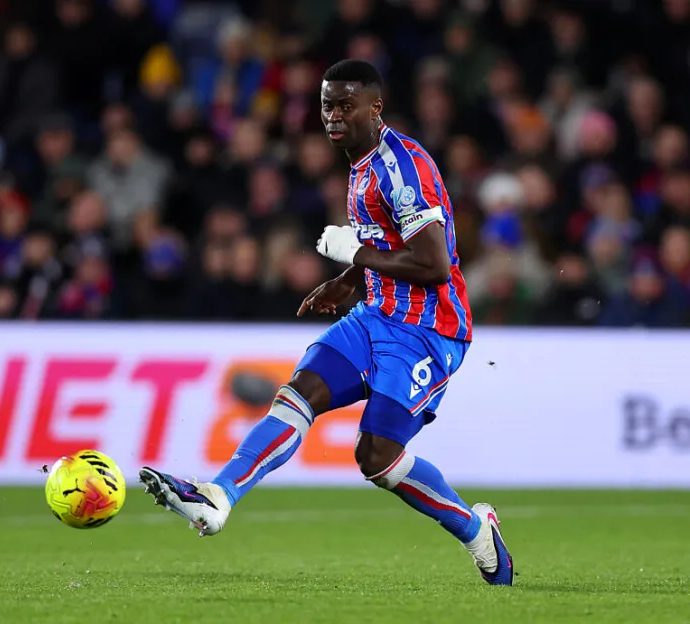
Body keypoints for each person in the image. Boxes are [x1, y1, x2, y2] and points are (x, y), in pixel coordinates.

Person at [139, 60, 514, 586]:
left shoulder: (402, 168)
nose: (333, 116)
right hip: (374, 315)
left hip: (428, 331)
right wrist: (349, 278)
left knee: (377, 458)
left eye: (345, 105)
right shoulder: (360, 163)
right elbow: (387, 243)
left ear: (375, 107)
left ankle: (477, 532)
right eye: (326, 105)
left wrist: (355, 253)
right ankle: (217, 497)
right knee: (299, 393)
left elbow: (433, 265)